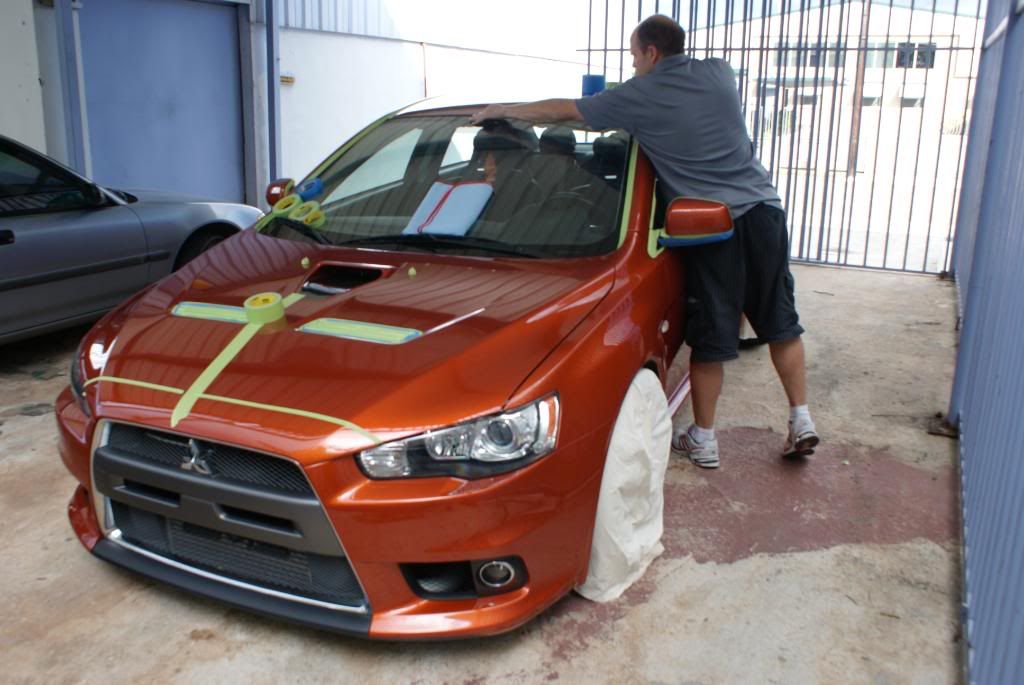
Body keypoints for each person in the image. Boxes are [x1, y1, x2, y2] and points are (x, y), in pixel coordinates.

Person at [471, 14, 819, 469]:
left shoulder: (641, 95)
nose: (633, 65)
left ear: (651, 53)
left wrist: (506, 109)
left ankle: (705, 440)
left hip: (714, 224)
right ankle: (802, 418)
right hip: (765, 211)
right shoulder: (719, 73)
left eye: (635, 55)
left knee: (712, 334)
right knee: (780, 319)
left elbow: (566, 110)